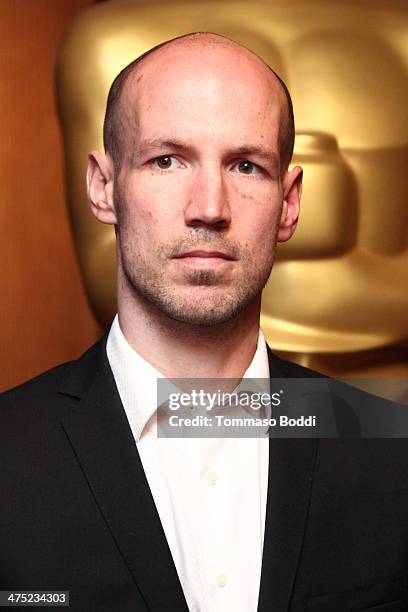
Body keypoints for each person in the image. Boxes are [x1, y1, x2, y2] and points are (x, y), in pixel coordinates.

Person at [1, 32, 408, 612]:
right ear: (103, 187)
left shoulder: (392, 460)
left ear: (289, 203)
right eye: (166, 160)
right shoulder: (7, 456)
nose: (209, 207)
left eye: (246, 165)